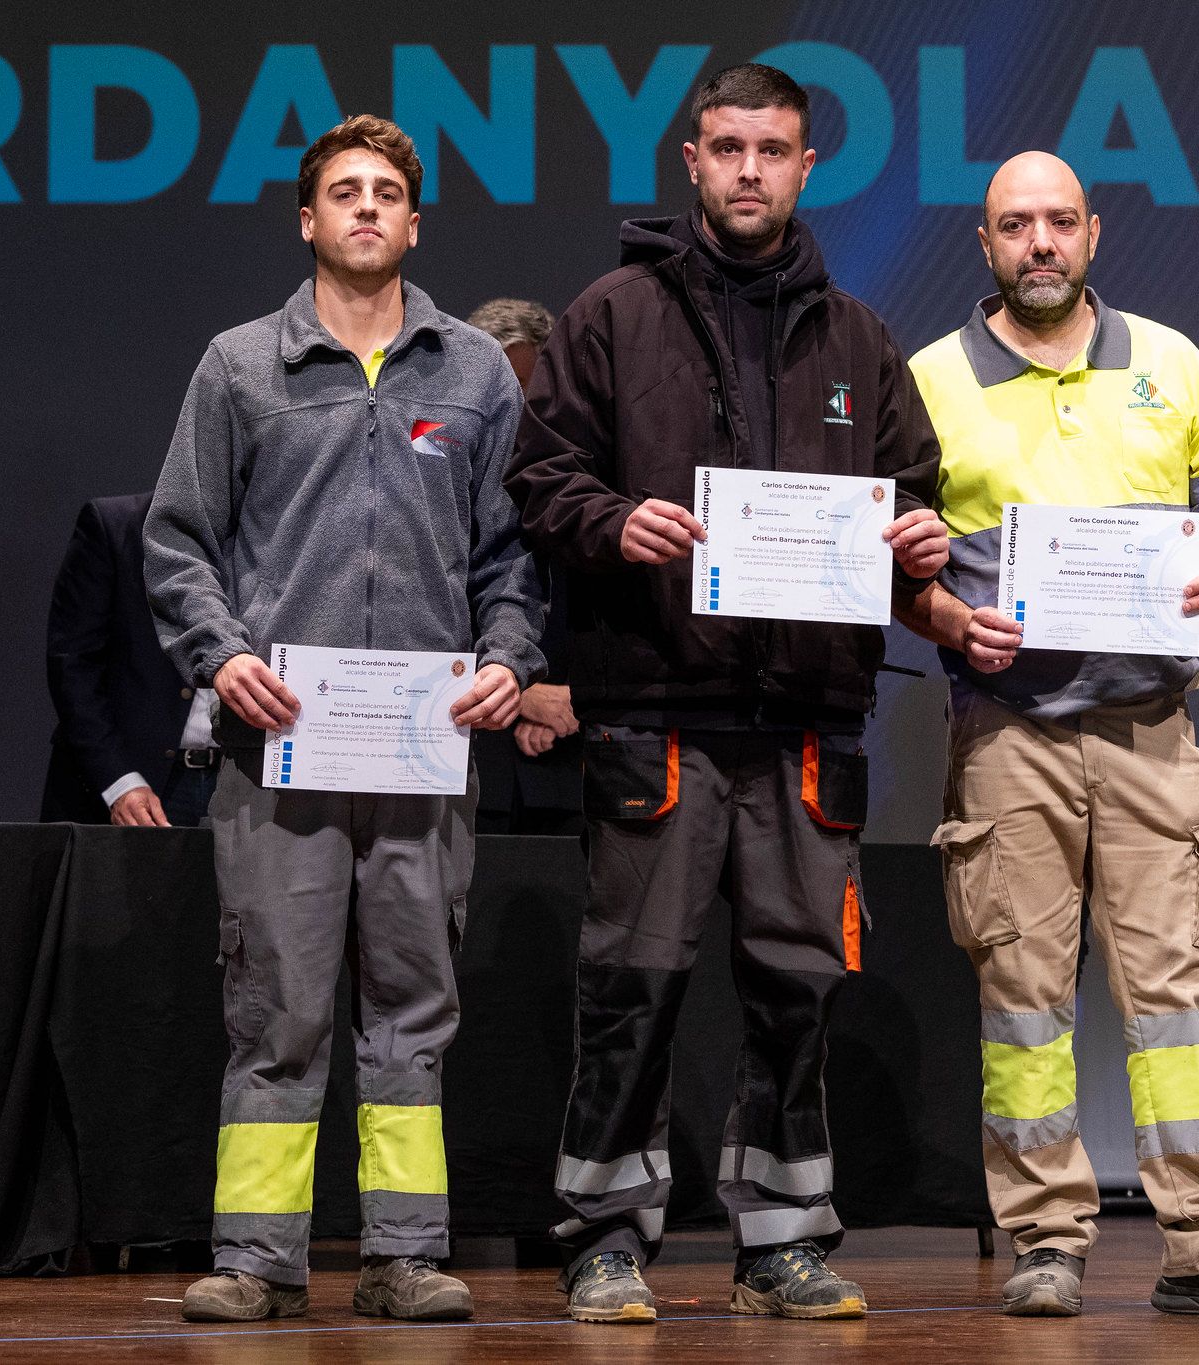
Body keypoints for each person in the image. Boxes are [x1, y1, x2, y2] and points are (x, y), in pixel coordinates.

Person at [507, 63, 947, 1324]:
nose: (748, 169)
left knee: (798, 984)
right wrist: (609, 520)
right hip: (654, 710)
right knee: (632, 981)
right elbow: (537, 481)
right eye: (725, 147)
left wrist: (916, 538)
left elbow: (914, 492)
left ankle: (783, 1241)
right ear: (688, 162)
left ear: (808, 168)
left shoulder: (857, 336)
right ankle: (601, 1235)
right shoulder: (609, 315)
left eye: (772, 150)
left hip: (807, 720)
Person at [897, 152, 1199, 1319]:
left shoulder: (1170, 359)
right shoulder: (931, 377)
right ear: (982, 243)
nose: (1037, 243)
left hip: (1151, 726)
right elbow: (892, 552)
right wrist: (945, 614)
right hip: (1006, 730)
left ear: (1091, 233)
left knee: (1173, 998)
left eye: (1057, 222)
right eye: (1013, 226)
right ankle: (1044, 1239)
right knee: (1024, 998)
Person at [145, 114, 544, 1324]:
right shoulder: (239, 367)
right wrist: (220, 661)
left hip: (425, 753)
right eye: (342, 192)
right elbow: (177, 543)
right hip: (283, 749)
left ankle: (402, 1254)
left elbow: (511, 559)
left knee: (412, 1009)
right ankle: (257, 1260)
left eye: (386, 193)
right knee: (279, 1004)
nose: (365, 208)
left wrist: (508, 661)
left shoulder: (473, 372)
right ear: (307, 220)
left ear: (413, 224)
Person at [466, 299, 583, 835]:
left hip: (566, 759)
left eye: (529, 394)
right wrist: (520, 695)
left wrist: (570, 699)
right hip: (458, 754)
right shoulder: (422, 451)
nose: (515, 413)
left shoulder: (585, 473)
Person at [40, 492, 219, 826]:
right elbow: (73, 666)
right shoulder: (117, 525)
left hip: (240, 785)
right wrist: (119, 782)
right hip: (139, 783)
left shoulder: (276, 539)